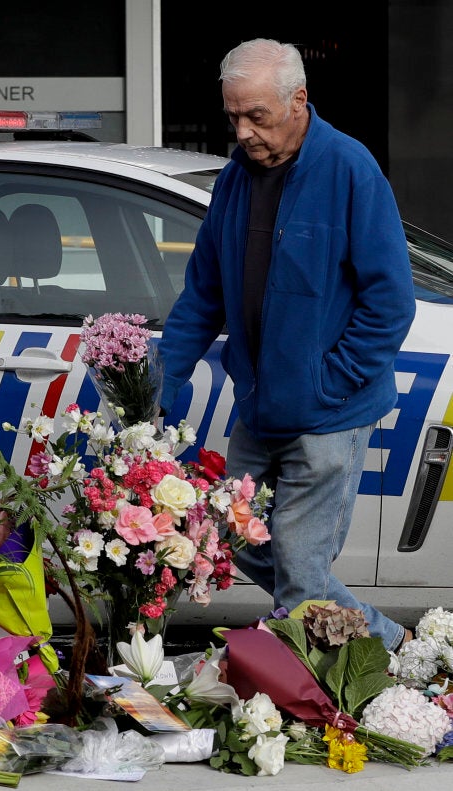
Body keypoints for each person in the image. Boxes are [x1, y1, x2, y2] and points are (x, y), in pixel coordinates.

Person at [158, 38, 416, 652]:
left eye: (257, 116)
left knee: (300, 582)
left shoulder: (350, 170)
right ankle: (393, 643)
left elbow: (391, 302)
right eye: (233, 116)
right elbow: (203, 295)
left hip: (328, 416)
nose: (243, 131)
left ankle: (344, 687)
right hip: (261, 410)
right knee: (231, 540)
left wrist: (330, 382)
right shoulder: (233, 182)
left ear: (298, 101)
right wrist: (159, 383)